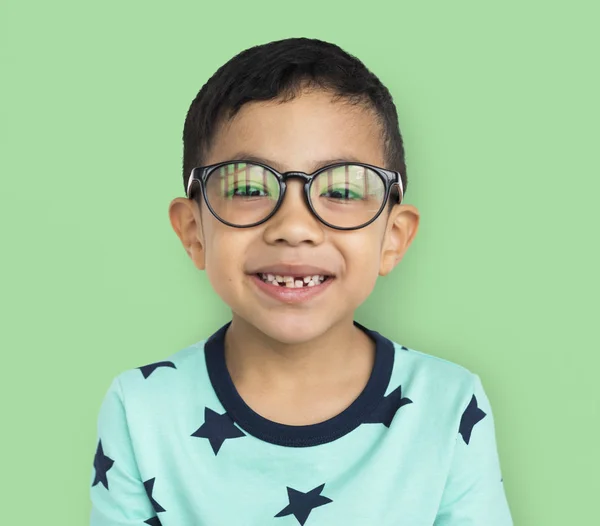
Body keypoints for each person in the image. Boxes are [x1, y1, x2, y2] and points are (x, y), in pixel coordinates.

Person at [89, 37, 513, 525]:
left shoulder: (450, 402)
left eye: (342, 189)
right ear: (193, 231)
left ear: (393, 238)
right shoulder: (142, 408)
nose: (294, 227)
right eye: (248, 186)